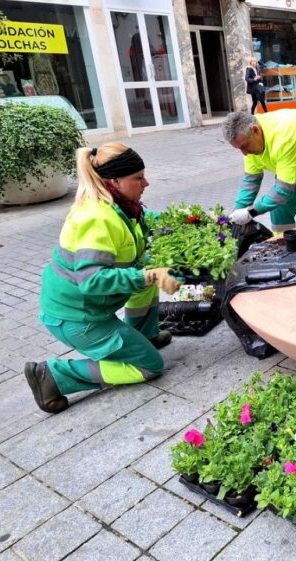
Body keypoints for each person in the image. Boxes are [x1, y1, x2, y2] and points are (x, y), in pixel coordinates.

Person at [24, 143, 182, 414]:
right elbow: (92, 281)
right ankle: (53, 375)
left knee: (146, 278)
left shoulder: (121, 205)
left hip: (88, 308)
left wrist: (187, 220)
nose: (147, 183)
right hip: (77, 318)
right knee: (149, 366)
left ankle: (147, 335)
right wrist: (151, 274)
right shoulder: (97, 218)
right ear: (115, 181)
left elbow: (145, 222)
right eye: (138, 178)